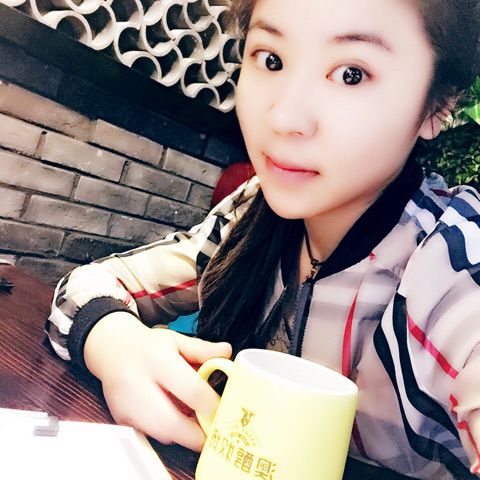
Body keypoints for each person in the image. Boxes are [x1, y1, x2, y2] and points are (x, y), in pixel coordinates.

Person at [46, 0, 480, 478]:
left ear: (437, 105)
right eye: (271, 60)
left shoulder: (447, 262)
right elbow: (90, 286)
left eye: (351, 74)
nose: (284, 117)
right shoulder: (251, 216)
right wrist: (115, 343)